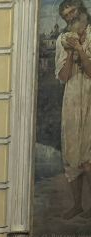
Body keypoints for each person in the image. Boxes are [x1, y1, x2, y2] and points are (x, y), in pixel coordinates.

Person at [55, 0, 91, 219]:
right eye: (66, 16)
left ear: (82, 10)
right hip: (72, 99)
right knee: (71, 152)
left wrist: (79, 48)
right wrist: (70, 52)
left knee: (89, 154)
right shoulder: (62, 39)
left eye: (73, 12)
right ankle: (77, 204)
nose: (70, 17)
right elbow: (63, 76)